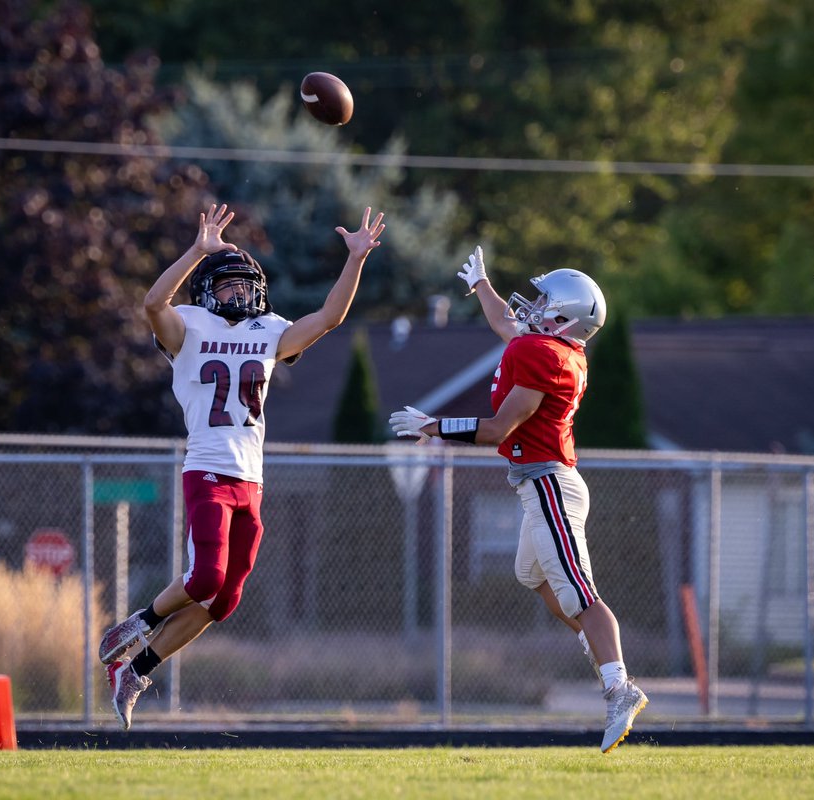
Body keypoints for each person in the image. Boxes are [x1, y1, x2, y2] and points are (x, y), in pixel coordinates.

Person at [100, 203, 385, 729]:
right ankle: (137, 624)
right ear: (208, 291)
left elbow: (328, 318)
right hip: (207, 466)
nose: (239, 294)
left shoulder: (271, 328)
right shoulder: (188, 325)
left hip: (251, 479)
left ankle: (135, 670)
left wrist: (355, 260)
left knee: (225, 599)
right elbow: (152, 301)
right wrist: (196, 251)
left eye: (245, 286)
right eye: (228, 286)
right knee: (204, 574)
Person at [388, 246, 647, 753]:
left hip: (548, 483)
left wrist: (433, 427)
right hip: (542, 482)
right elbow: (509, 326)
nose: (531, 307)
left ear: (564, 317)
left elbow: (497, 429)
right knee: (533, 577)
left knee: (580, 595)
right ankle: (599, 650)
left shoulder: (542, 354)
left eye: (543, 301)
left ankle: (619, 687)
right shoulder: (554, 350)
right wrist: (481, 286)